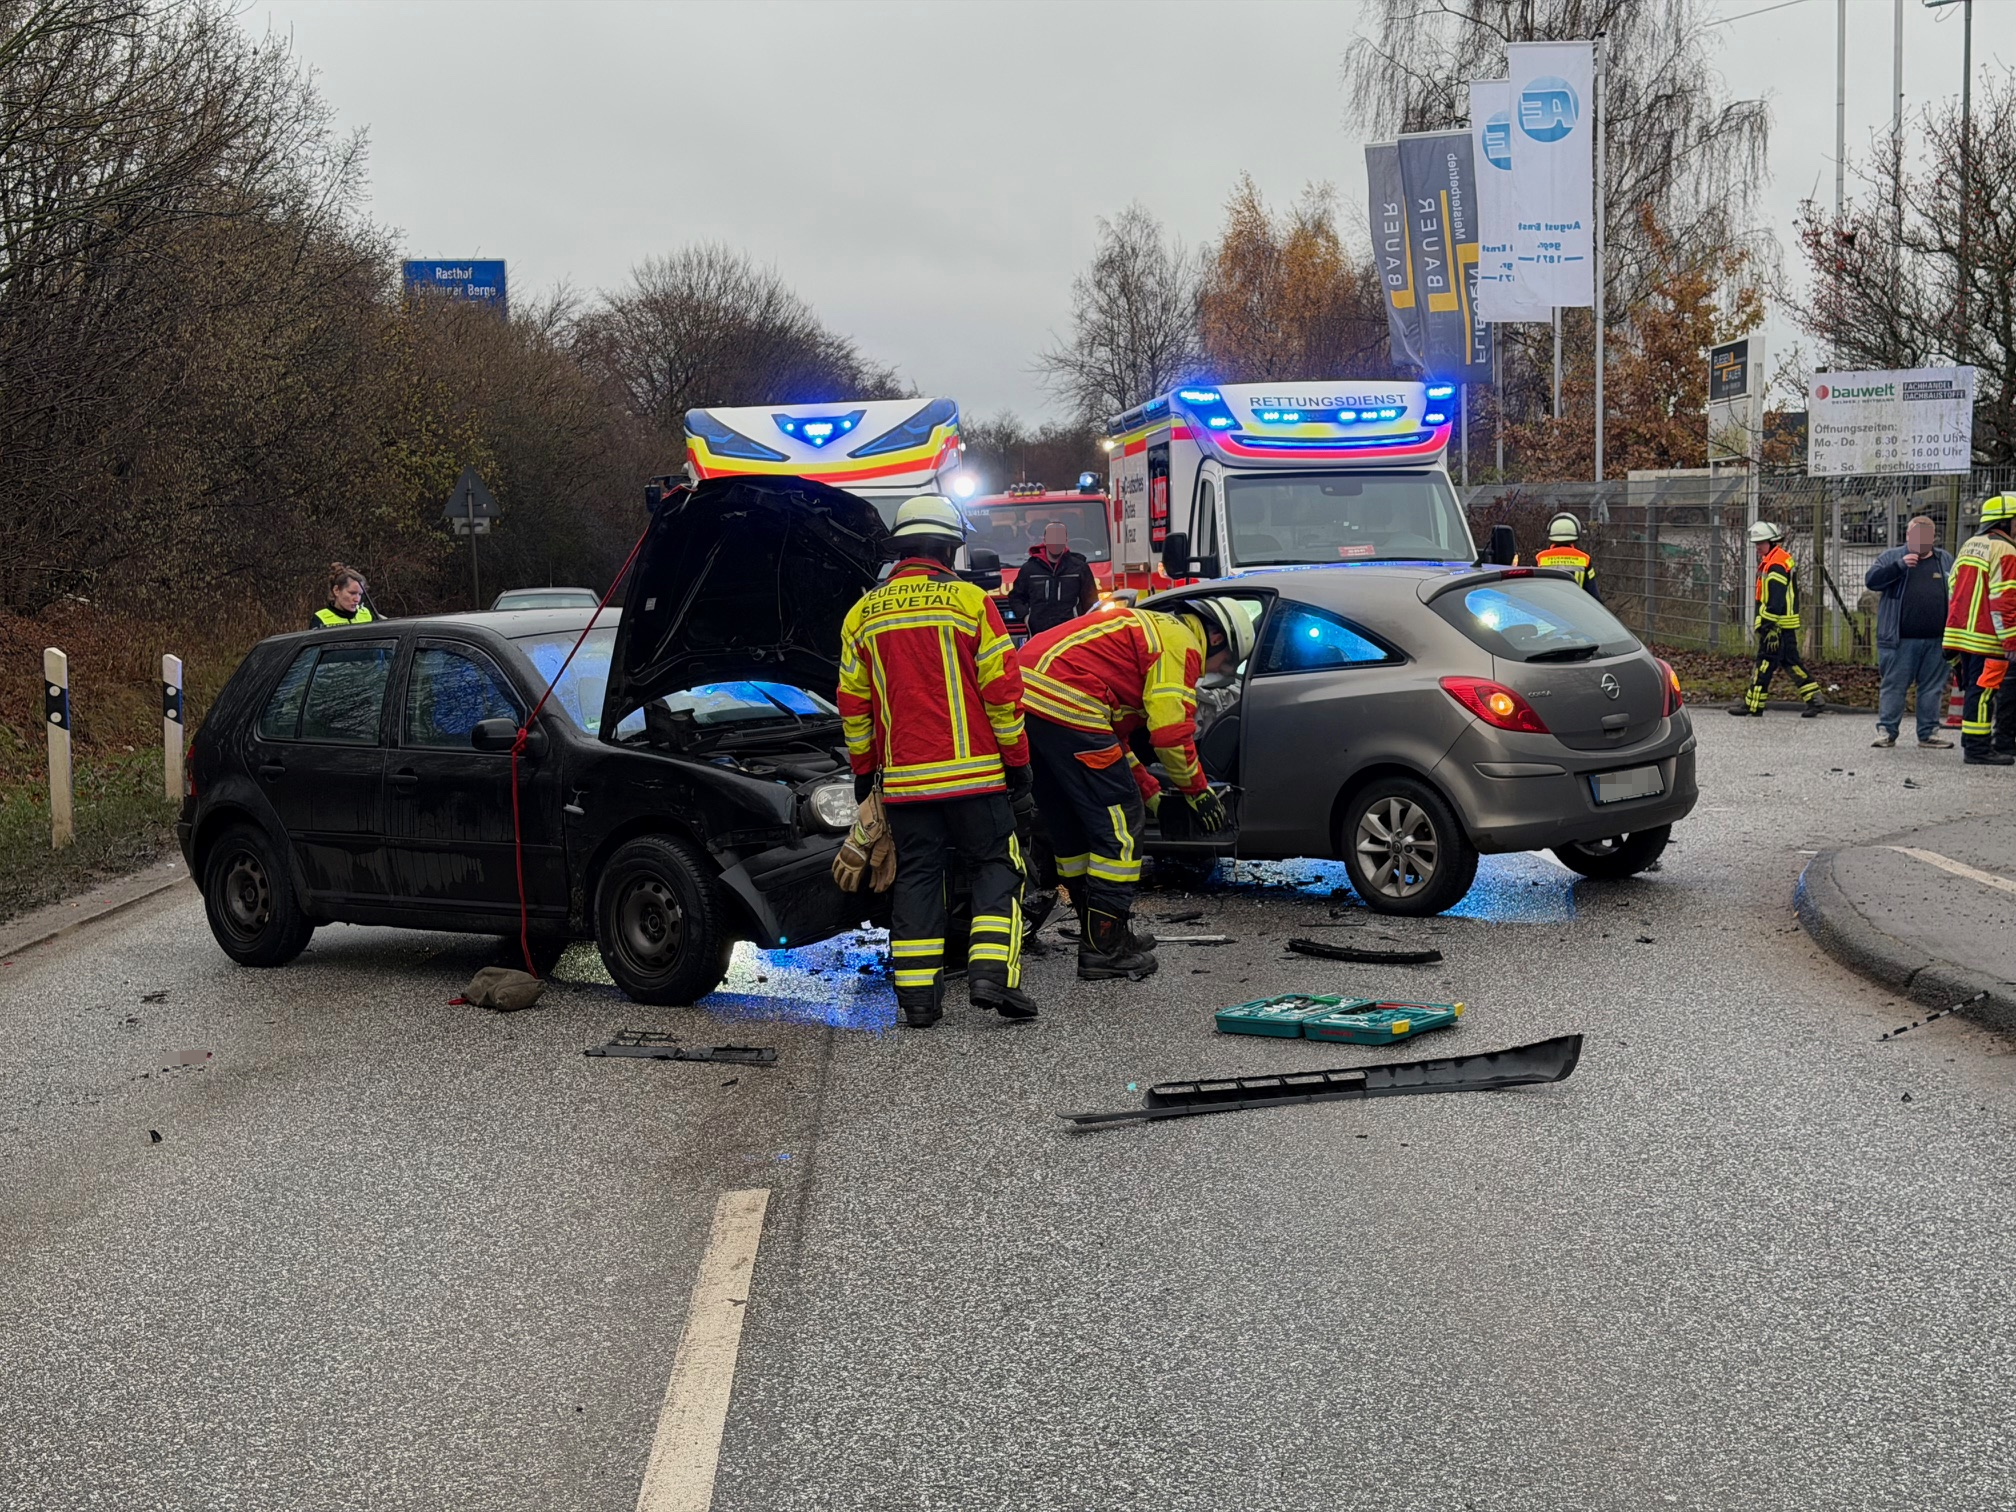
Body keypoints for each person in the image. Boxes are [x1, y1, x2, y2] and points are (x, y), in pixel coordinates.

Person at [836, 495, 1037, 1028]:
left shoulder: (861, 615)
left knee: (919, 876)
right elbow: (1002, 692)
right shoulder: (971, 602)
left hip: (904, 784)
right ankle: (992, 974)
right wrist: (1017, 763)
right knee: (996, 863)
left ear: (900, 549)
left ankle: (919, 1001)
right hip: (977, 778)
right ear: (949, 548)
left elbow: (854, 709)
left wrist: (864, 775)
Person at [1020, 597, 1255, 981]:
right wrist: (1198, 792)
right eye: (1223, 663)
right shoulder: (1181, 642)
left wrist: (1153, 794)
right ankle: (1104, 949)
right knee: (1122, 828)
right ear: (1215, 637)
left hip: (1031, 701)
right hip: (1068, 699)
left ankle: (1102, 936)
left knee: (1075, 827)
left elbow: (1115, 741)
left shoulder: (1144, 633)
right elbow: (1170, 735)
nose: (1210, 673)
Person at [1865, 515, 1955, 749]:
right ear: (1907, 536)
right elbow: (1872, 581)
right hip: (1900, 640)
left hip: (1937, 640)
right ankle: (1887, 731)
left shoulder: (1944, 560)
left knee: (1932, 687)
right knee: (1894, 685)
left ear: (1934, 537)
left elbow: (1957, 591)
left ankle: (1928, 733)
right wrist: (1899, 566)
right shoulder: (1892, 557)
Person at [1941, 494, 2016, 766]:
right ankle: (1977, 749)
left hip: (1962, 635)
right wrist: (2012, 642)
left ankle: (1972, 743)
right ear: (2006, 522)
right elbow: (2004, 601)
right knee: (1984, 694)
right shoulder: (2006, 551)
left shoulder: (1971, 544)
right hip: (1988, 638)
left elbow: (1952, 589)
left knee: (1974, 690)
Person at [1731, 521, 1824, 717]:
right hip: (1783, 626)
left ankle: (1753, 705)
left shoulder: (1775, 564)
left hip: (1775, 626)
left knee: (1764, 663)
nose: (1757, 547)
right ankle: (1815, 699)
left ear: (1772, 542)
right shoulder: (1777, 559)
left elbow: (1775, 599)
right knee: (1791, 662)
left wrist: (1769, 626)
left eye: (1761, 543)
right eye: (1756, 544)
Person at [1003, 520, 1097, 638]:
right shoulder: (1030, 569)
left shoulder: (1079, 568)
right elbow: (1015, 598)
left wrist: (1083, 626)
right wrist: (1026, 618)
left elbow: (1091, 603)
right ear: (1045, 541)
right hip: (1039, 637)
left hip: (1070, 637)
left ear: (1066, 541)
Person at [1534, 512, 1600, 598]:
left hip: (1547, 607)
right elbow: (1593, 595)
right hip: (1574, 607)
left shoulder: (1540, 558)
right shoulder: (1584, 560)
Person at [313, 563, 377, 629]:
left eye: (360, 594)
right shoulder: (320, 619)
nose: (357, 599)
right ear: (336, 590)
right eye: (352, 593)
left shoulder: (367, 615)